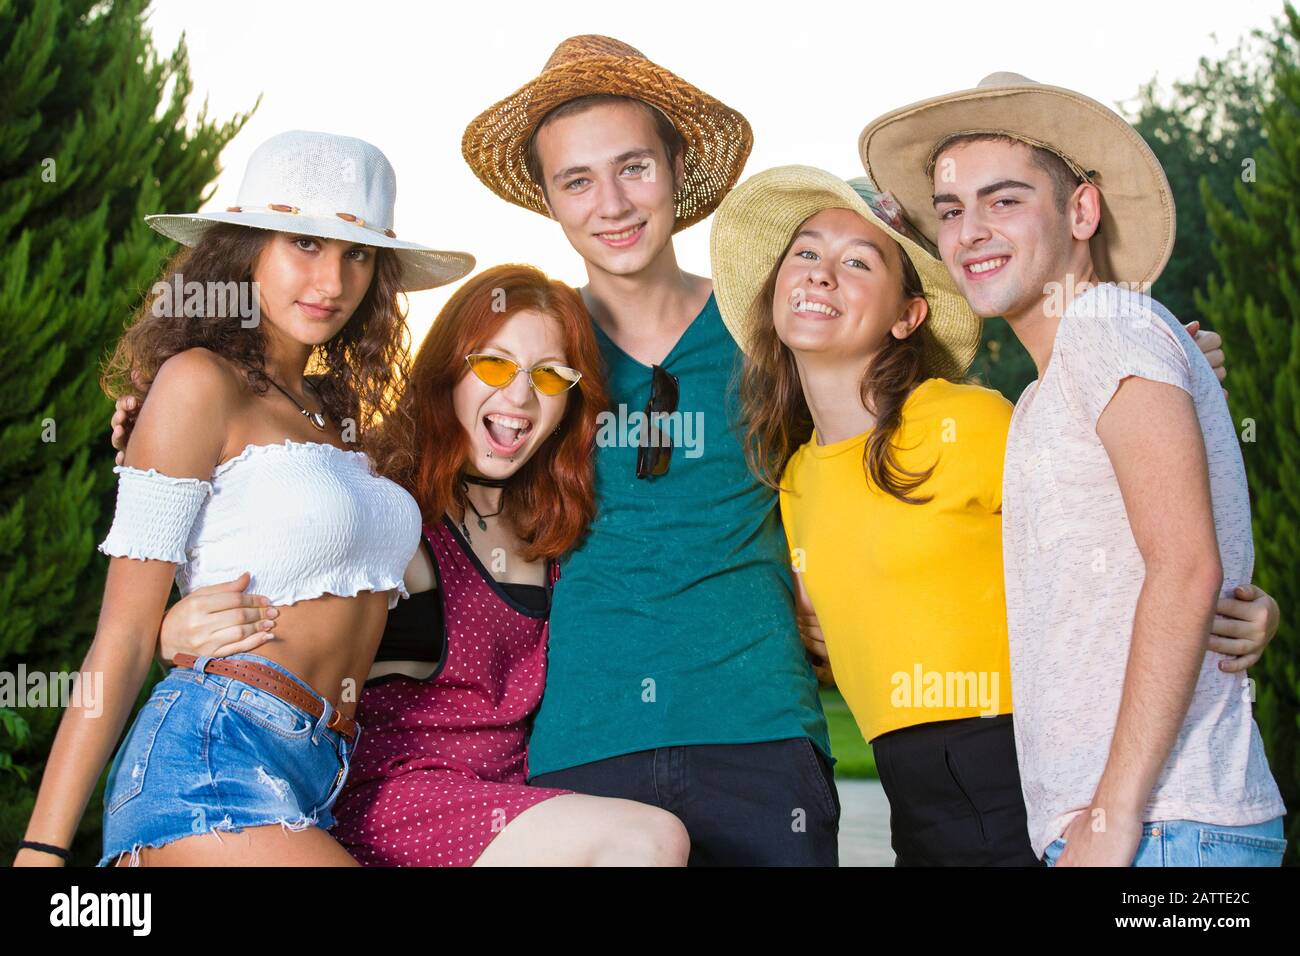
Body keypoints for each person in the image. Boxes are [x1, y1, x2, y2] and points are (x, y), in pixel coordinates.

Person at [710, 165, 1282, 865]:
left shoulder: (969, 421)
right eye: (805, 253)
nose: (821, 274)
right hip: (912, 798)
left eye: (857, 262)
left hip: (1013, 763)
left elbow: (1117, 517)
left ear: (908, 316)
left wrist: (1249, 604)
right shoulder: (793, 480)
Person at [15, 129, 476, 867]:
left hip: (323, 772)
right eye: (305, 244)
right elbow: (124, 635)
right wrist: (42, 848)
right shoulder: (197, 383)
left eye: (358, 254)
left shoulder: (341, 417)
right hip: (212, 753)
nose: (332, 280)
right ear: (245, 250)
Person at [860, 72, 1287, 866]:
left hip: (1161, 828)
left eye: (1004, 200)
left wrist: (1111, 816)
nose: (970, 230)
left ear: (1081, 212)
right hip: (1142, 829)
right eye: (950, 211)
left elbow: (1186, 566)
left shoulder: (1105, 324)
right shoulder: (1052, 389)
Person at [144, 265, 691, 866]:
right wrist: (172, 631)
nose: (519, 396)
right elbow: (265, 532)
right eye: (493, 366)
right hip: (387, 798)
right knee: (649, 840)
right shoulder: (377, 505)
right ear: (446, 373)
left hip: (513, 806)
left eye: (549, 375)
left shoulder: (563, 525)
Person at [460, 35, 837, 864]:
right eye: (577, 181)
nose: (612, 204)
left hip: (760, 733)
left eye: (633, 167)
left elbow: (865, 453)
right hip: (583, 747)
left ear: (676, 167)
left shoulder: (769, 330)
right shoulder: (536, 351)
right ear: (549, 201)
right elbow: (421, 477)